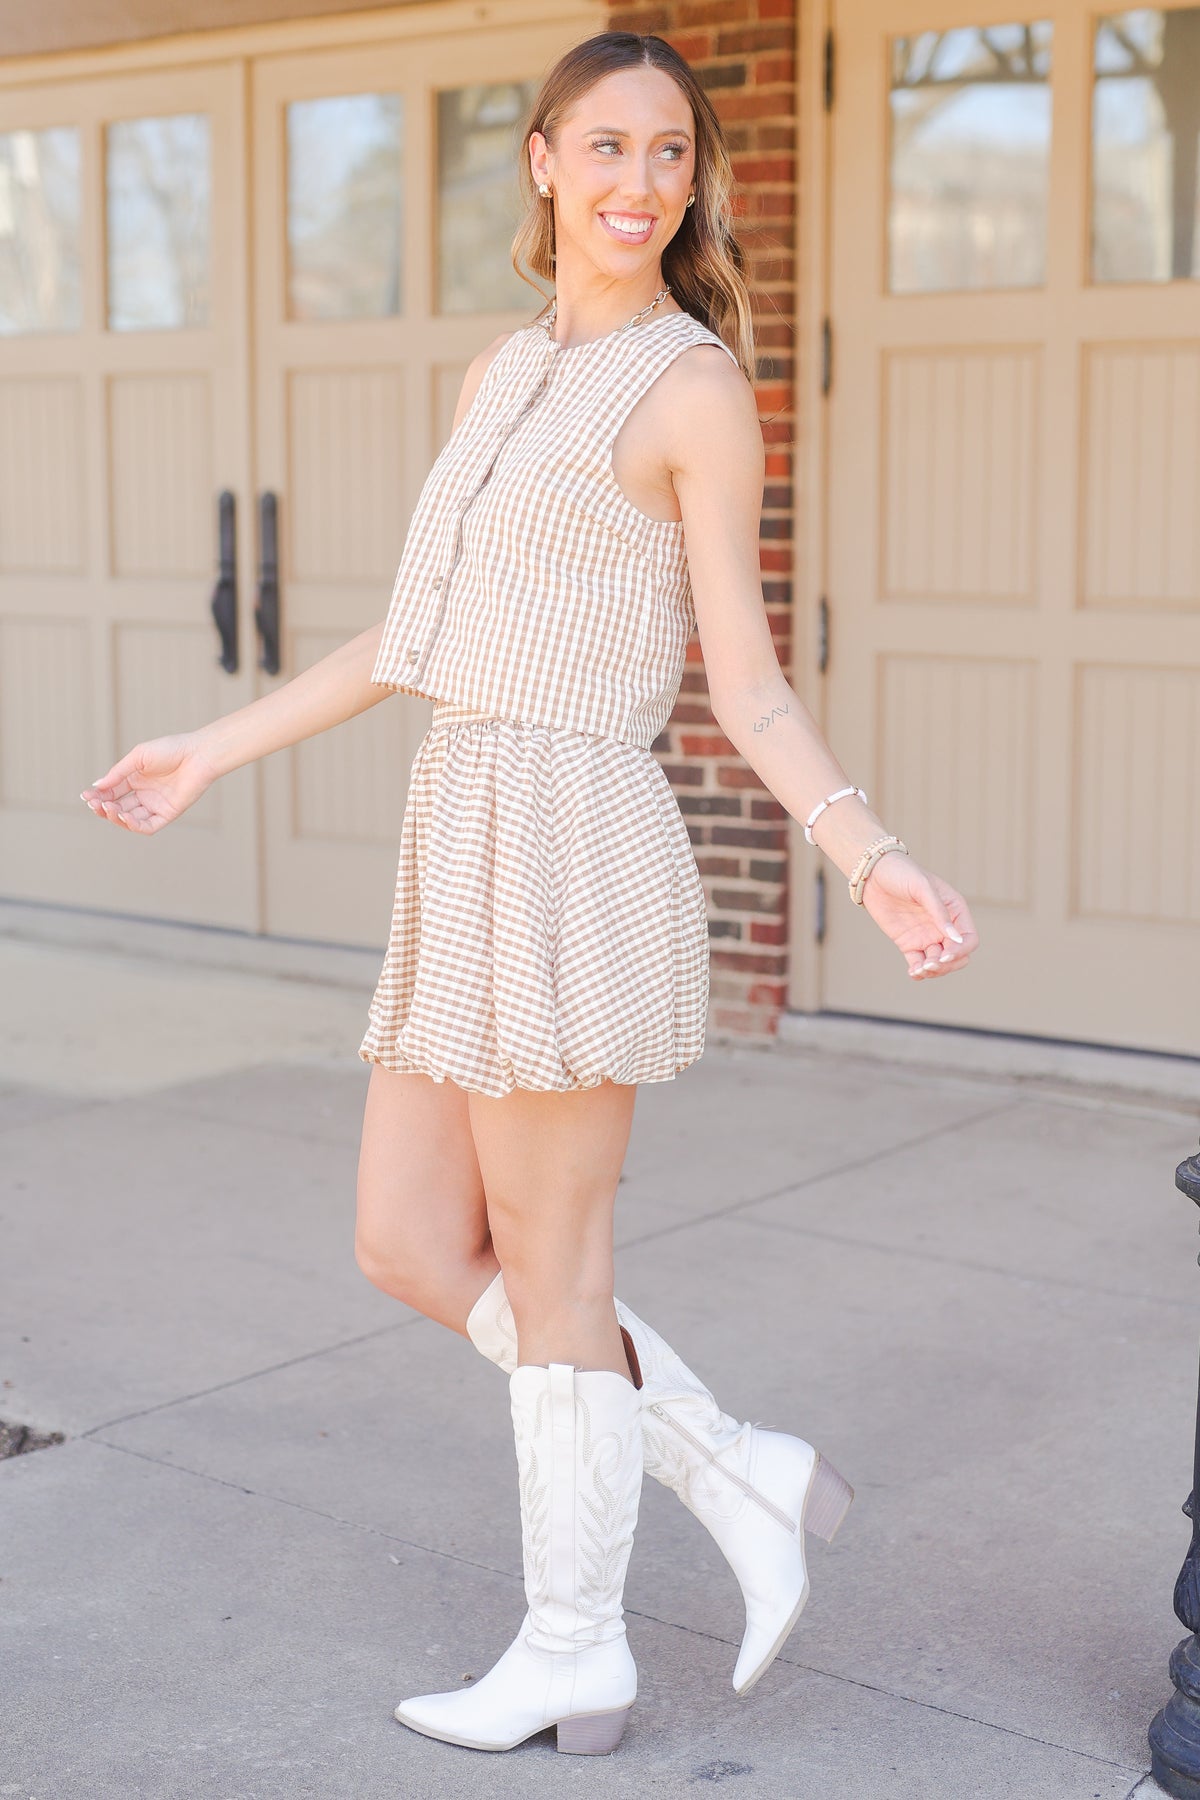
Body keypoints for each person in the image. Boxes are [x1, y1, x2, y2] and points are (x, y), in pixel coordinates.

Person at [80, 30, 978, 1760]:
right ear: (546, 162)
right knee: (407, 1240)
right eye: (609, 146)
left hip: (575, 837)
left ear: (696, 181)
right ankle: (727, 1461)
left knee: (557, 1273)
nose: (644, 181)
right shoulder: (499, 373)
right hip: (463, 831)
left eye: (673, 152)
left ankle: (577, 1646)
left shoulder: (691, 388)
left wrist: (868, 858)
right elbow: (413, 634)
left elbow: (747, 684)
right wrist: (212, 748)